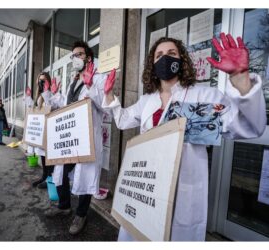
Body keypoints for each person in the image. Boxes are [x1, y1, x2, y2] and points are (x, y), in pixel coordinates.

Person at [102, 33, 266, 241]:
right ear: (153, 65)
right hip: (145, 187)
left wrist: (241, 78)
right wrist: (108, 95)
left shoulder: (205, 96)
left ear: (182, 61)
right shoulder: (146, 101)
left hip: (181, 192)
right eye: (159, 55)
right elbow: (123, 120)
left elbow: (250, 126)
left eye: (172, 53)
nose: (165, 58)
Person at [42, 40, 116, 235]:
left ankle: (81, 214)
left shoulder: (99, 78)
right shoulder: (73, 81)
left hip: (87, 139)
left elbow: (105, 105)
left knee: (86, 176)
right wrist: (49, 93)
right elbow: (63, 105)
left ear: (88, 58)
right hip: (70, 139)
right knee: (61, 171)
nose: (75, 58)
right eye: (73, 55)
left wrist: (91, 86)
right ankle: (64, 206)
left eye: (79, 54)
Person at [31, 72, 55, 189]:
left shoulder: (52, 93)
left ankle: (50, 178)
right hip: (41, 130)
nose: (41, 83)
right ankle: (44, 175)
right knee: (42, 156)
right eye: (40, 80)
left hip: (49, 131)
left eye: (44, 80)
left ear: (48, 81)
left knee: (48, 157)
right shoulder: (38, 95)